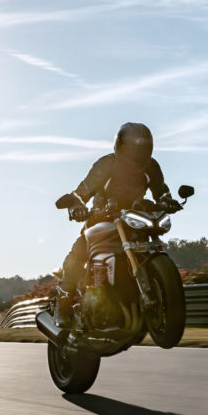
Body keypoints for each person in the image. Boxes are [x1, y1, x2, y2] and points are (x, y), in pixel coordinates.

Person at [54, 122, 181, 326]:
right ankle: (63, 304)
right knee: (78, 253)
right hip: (101, 218)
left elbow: (161, 190)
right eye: (133, 148)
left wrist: (168, 200)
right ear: (121, 146)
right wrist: (77, 205)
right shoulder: (107, 165)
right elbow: (82, 191)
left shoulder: (151, 167)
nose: (137, 154)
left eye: (142, 149)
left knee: (150, 242)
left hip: (134, 218)